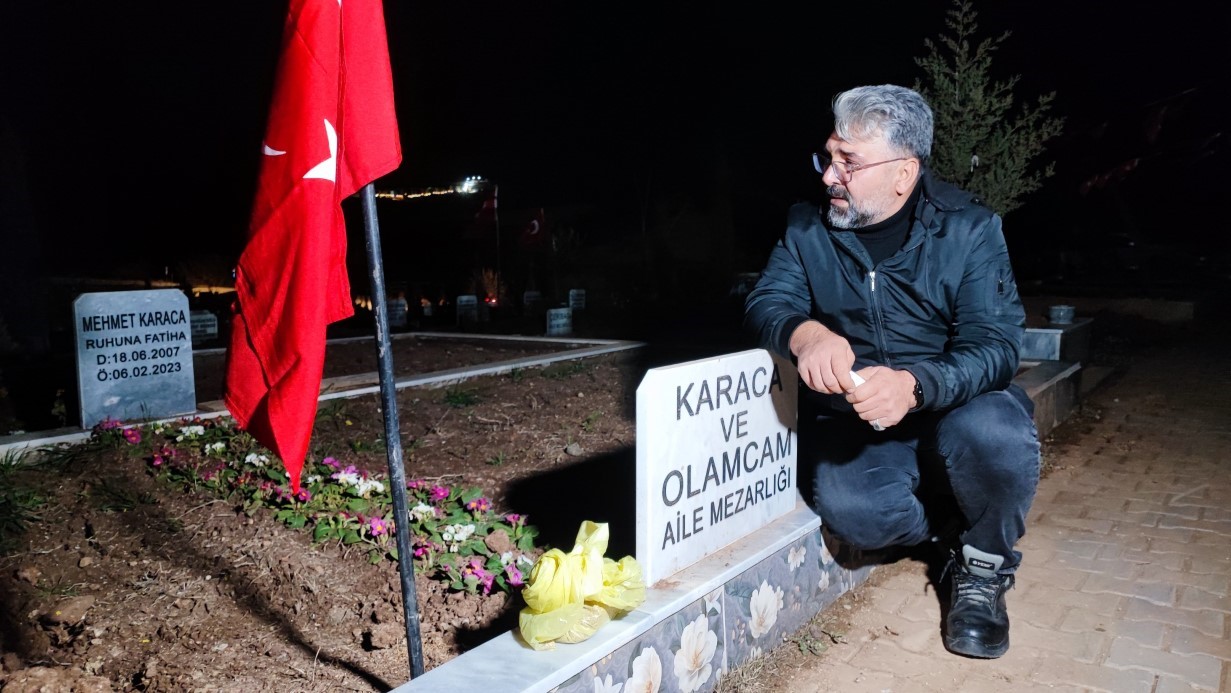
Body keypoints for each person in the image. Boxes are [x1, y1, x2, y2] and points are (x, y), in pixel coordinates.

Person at [744, 84, 1040, 659]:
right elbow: (767, 302)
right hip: (858, 419)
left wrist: (915, 385)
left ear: (903, 173)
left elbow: (997, 345)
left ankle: (983, 569)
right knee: (859, 517)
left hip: (956, 406)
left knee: (997, 435)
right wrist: (806, 334)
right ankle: (952, 529)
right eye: (828, 157)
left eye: (849, 163)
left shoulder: (970, 229)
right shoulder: (807, 228)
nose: (830, 177)